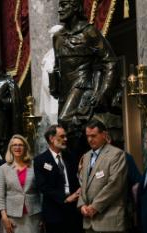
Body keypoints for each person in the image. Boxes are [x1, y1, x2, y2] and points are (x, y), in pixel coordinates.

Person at [50, 0, 120, 148]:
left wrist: (103, 92)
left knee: (67, 122)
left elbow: (110, 61)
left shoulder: (89, 32)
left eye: (64, 5)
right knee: (65, 130)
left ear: (75, 7)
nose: (59, 10)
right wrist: (54, 84)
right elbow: (57, 65)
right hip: (64, 90)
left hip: (83, 85)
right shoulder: (57, 37)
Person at [34, 125, 88, 233]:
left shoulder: (70, 156)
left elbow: (77, 178)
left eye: (65, 136)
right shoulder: (40, 160)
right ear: (52, 139)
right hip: (54, 212)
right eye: (62, 136)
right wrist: (64, 198)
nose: (65, 139)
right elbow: (43, 187)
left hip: (74, 211)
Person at [77, 119, 128, 233]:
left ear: (104, 134)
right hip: (89, 221)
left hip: (109, 220)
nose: (90, 139)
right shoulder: (86, 157)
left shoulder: (116, 154)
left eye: (93, 135)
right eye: (88, 136)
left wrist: (95, 207)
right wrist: (81, 205)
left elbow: (115, 185)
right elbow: (82, 184)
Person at [0, 134, 42, 233]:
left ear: (25, 148)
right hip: (13, 217)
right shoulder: (3, 169)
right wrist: (4, 217)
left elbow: (41, 192)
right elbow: (0, 195)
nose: (17, 147)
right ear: (10, 148)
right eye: (14, 145)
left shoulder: (34, 166)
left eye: (20, 145)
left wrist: (43, 216)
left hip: (32, 215)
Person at [40, 25, 63, 124]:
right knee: (50, 114)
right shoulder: (49, 53)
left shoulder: (63, 51)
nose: (52, 38)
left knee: (56, 113)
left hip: (59, 88)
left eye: (54, 35)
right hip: (49, 89)